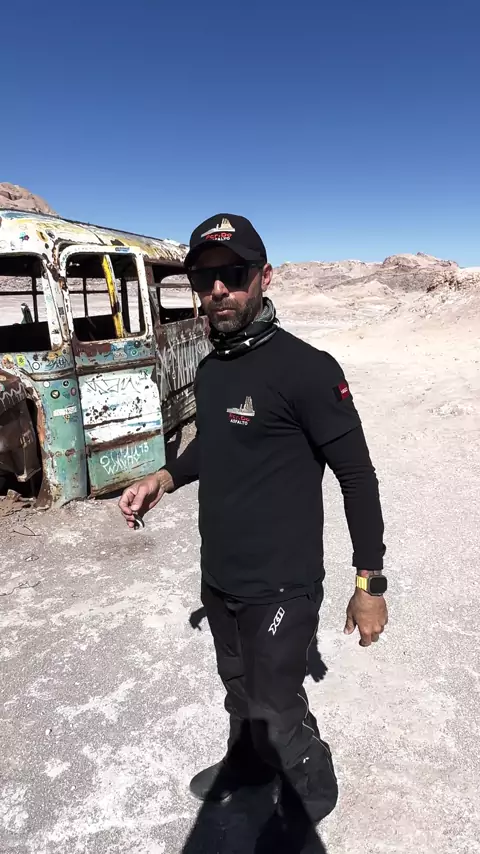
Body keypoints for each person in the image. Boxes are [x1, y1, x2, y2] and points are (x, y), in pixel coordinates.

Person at [119, 213, 388, 838]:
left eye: (234, 275)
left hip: (281, 583)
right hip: (222, 575)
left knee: (274, 706)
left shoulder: (308, 369)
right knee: (238, 688)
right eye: (204, 279)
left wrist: (369, 584)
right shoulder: (213, 368)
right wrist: (164, 478)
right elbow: (215, 444)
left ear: (264, 277)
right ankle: (245, 766)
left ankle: (310, 789)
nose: (218, 291)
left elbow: (358, 477)